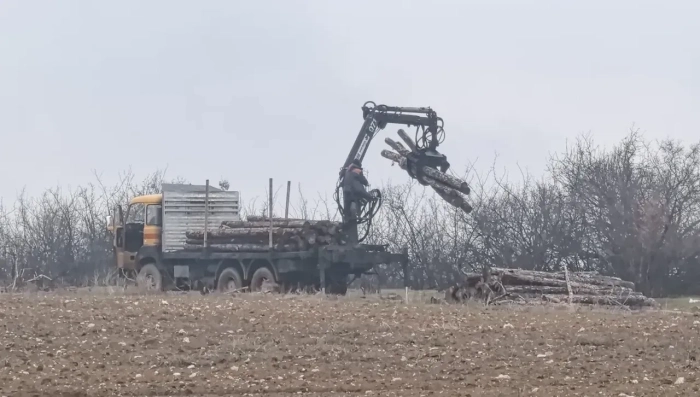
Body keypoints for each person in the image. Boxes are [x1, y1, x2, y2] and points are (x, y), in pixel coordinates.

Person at [342, 159, 374, 244]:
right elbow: (360, 190)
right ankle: (354, 215)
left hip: (347, 197)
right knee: (355, 208)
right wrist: (370, 197)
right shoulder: (356, 172)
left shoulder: (347, 173)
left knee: (347, 215)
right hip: (353, 198)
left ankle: (347, 224)